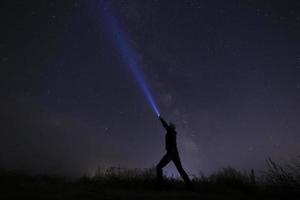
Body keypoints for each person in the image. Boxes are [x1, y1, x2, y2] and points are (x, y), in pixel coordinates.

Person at [156, 116, 192, 185]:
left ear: (171, 127)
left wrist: (161, 118)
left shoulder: (170, 131)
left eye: (170, 125)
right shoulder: (173, 132)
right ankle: (190, 185)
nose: (168, 125)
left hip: (171, 153)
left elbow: (165, 125)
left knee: (158, 167)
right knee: (180, 169)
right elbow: (166, 125)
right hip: (175, 153)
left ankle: (159, 185)